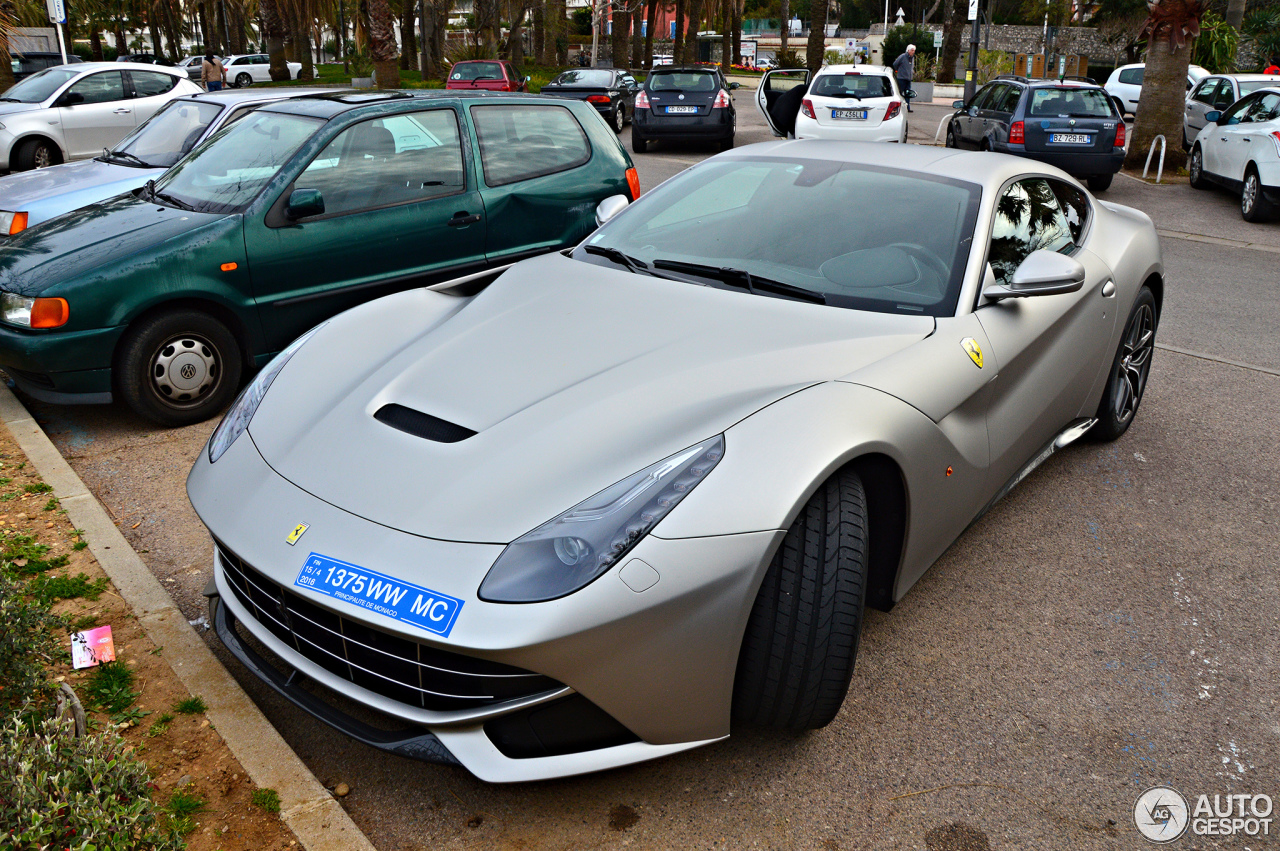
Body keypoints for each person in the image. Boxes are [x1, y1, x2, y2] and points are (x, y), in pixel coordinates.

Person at [893, 44, 916, 112]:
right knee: (900, 93)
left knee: (908, 94)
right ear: (908, 50)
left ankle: (907, 107)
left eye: (914, 50)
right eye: (912, 50)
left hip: (908, 78)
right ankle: (899, 108)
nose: (913, 52)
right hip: (901, 78)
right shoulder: (902, 56)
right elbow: (895, 64)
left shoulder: (912, 58)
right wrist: (898, 71)